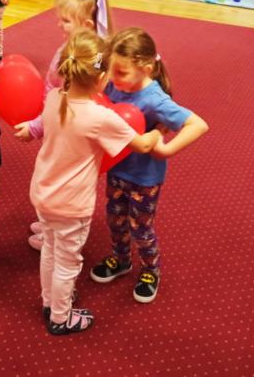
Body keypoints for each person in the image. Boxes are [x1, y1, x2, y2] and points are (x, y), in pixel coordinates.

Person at [31, 30, 161, 336]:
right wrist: (159, 131)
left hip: (43, 194)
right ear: (102, 79)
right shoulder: (100, 117)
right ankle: (60, 317)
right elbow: (143, 144)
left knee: (50, 250)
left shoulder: (54, 97)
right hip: (71, 205)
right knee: (68, 262)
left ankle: (50, 302)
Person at [89, 27, 208, 304]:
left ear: (145, 69)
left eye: (121, 72)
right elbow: (94, 69)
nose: (113, 78)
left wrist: (165, 150)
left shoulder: (154, 99)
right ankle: (121, 259)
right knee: (115, 219)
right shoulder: (114, 83)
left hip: (144, 178)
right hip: (116, 170)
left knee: (141, 228)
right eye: (111, 70)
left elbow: (198, 125)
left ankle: (150, 270)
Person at [15, 0, 112, 250]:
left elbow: (63, 105)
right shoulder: (79, 51)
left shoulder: (80, 64)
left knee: (56, 178)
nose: (59, 24)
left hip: (64, 130)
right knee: (53, 175)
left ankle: (53, 233)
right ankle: (49, 223)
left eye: (66, 20)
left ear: (87, 25)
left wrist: (37, 126)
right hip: (58, 123)